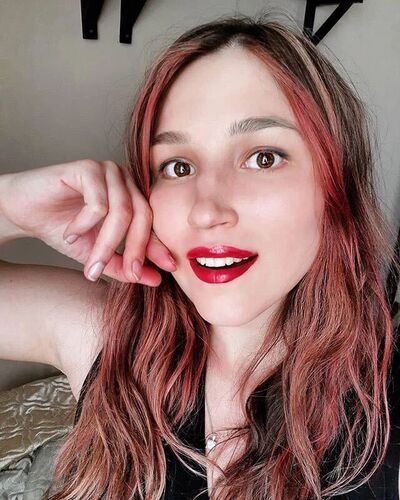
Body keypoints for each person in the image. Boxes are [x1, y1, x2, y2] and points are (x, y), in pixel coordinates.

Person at [0, 11, 399, 500]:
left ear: (335, 185)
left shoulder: (384, 403)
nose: (207, 211)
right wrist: (10, 207)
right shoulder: (107, 337)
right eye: (178, 166)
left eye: (263, 158)